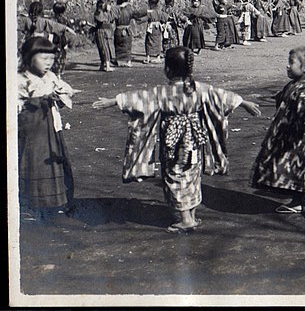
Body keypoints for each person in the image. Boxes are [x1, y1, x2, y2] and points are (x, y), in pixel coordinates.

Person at [93, 46, 261, 232]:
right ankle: (192, 215)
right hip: (195, 139)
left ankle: (186, 220)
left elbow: (139, 98)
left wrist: (113, 101)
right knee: (192, 173)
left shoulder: (162, 92)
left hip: (173, 141)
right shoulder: (198, 89)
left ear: (167, 69)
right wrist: (243, 102)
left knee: (175, 175)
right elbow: (220, 96)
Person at [252, 44, 305, 219]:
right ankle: (297, 201)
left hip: (302, 140)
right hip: (288, 139)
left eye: (291, 63)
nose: (287, 66)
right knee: (290, 170)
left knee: (302, 171)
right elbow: (288, 94)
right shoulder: (295, 84)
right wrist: (278, 96)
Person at [17, 37, 77, 219]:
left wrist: (61, 94)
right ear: (29, 58)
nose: (48, 63)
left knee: (55, 160)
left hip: (51, 127)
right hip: (32, 130)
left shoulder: (50, 77)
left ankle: (56, 201)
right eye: (43, 58)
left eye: (51, 59)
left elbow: (65, 90)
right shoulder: (21, 79)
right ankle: (31, 203)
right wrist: (34, 99)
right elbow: (16, 104)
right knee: (34, 163)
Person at [113, 0, 147, 67]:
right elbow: (138, 13)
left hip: (118, 30)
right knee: (127, 46)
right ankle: (128, 61)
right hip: (127, 30)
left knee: (118, 45)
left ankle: (119, 60)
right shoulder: (129, 10)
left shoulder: (116, 10)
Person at [143, 0, 168, 64]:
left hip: (151, 28)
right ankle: (158, 57)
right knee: (158, 42)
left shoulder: (149, 12)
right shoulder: (160, 12)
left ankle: (148, 57)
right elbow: (165, 17)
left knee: (148, 42)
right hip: (158, 28)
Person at [93, 0, 116, 71]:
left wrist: (110, 11)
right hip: (101, 31)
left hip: (108, 31)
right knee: (103, 48)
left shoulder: (108, 12)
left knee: (108, 47)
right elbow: (101, 19)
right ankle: (107, 65)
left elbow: (112, 18)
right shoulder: (98, 12)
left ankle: (104, 64)